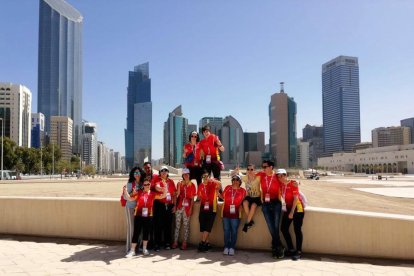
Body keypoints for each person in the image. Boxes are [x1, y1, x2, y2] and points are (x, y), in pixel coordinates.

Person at [124, 180, 167, 257]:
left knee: (146, 232)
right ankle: (132, 250)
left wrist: (165, 187)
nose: (147, 185)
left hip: (148, 216)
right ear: (143, 185)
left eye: (148, 184)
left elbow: (163, 196)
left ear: (150, 185)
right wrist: (125, 191)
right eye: (145, 184)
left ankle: (144, 249)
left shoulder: (153, 194)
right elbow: (130, 198)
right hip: (138, 215)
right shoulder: (139, 192)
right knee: (136, 232)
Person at [257, 160, 284, 259]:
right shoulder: (262, 175)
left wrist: (295, 183)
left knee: (276, 227)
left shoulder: (277, 176)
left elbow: (285, 181)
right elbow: (250, 176)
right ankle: (279, 246)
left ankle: (276, 247)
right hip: (265, 204)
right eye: (262, 167)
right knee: (271, 227)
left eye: (265, 167)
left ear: (271, 167)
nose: (263, 168)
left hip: (276, 203)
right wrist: (237, 172)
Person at [278, 168, 305, 261]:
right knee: (283, 228)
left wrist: (292, 212)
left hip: (297, 208)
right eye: (278, 176)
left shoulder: (293, 183)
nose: (280, 177)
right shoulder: (281, 185)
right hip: (288, 207)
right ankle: (291, 249)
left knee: (297, 229)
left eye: (281, 175)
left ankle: (299, 252)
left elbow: (296, 199)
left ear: (285, 175)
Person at [219, 173, 246, 256]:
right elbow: (223, 197)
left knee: (234, 231)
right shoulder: (227, 188)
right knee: (226, 231)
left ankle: (232, 247)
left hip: (236, 214)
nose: (235, 181)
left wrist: (242, 205)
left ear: (240, 181)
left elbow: (245, 200)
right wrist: (217, 192)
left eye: (237, 180)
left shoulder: (242, 191)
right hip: (226, 212)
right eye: (233, 180)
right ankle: (226, 246)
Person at [153, 166, 177, 251]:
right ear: (160, 172)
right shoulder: (158, 180)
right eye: (162, 171)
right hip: (160, 205)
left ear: (168, 172)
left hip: (169, 205)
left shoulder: (171, 181)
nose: (164, 172)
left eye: (166, 170)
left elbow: (174, 194)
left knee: (168, 225)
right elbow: (157, 187)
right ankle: (157, 244)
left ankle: (167, 243)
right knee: (158, 225)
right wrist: (164, 189)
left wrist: (174, 205)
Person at [197, 170, 221, 252]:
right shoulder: (200, 185)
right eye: (204, 177)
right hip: (203, 207)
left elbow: (220, 184)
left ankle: (202, 242)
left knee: (208, 226)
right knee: (203, 226)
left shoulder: (213, 184)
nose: (205, 178)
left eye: (207, 176)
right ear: (202, 178)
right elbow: (199, 196)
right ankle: (207, 243)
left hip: (212, 207)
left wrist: (213, 180)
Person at [173, 168, 196, 250]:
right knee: (177, 225)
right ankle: (175, 242)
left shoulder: (192, 185)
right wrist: (179, 186)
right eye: (184, 174)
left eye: (187, 174)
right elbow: (177, 195)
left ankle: (184, 242)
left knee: (186, 226)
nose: (186, 176)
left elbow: (193, 198)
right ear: (182, 175)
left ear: (189, 175)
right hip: (179, 206)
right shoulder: (179, 183)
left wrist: (191, 208)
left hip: (187, 207)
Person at [123, 166, 144, 254]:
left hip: (140, 208)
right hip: (130, 207)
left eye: (138, 172)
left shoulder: (143, 183)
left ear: (141, 174)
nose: (136, 174)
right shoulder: (130, 183)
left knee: (140, 228)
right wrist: (132, 193)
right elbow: (125, 197)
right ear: (132, 174)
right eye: (135, 173)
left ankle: (138, 246)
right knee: (131, 228)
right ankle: (130, 248)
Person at [241, 164, 261, 232]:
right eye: (248, 169)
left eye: (251, 169)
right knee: (244, 203)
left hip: (257, 197)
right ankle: (250, 221)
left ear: (254, 170)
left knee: (253, 206)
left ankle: (247, 223)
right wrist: (236, 170)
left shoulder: (258, 177)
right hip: (249, 196)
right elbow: (233, 174)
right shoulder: (245, 177)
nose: (249, 171)